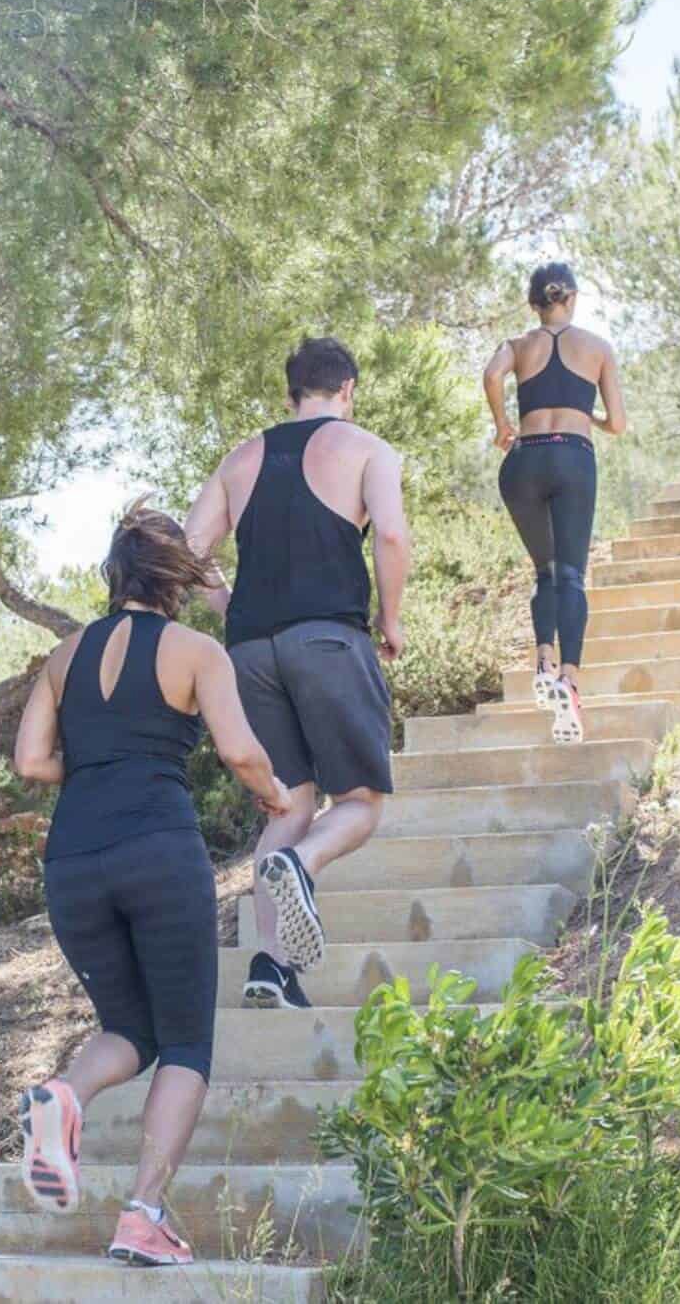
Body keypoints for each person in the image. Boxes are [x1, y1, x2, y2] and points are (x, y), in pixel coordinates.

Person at [9, 506, 292, 1267]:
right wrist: (277, 795)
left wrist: (99, 766)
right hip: (158, 851)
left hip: (73, 862)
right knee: (188, 1044)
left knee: (129, 1029)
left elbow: (32, 761)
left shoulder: (64, 656)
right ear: (178, 578)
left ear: (115, 575)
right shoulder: (198, 651)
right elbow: (239, 749)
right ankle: (142, 1215)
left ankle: (65, 1098)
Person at [184, 336, 410, 1011]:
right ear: (349, 390)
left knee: (288, 804)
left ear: (289, 396)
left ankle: (270, 968)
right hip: (330, 640)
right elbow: (392, 537)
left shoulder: (241, 458)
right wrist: (391, 620)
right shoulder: (367, 447)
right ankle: (301, 865)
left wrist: (228, 605)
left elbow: (189, 549)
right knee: (361, 804)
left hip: (249, 651)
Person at [480, 262, 629, 744]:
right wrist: (593, 418)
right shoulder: (598, 347)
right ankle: (569, 678)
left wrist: (504, 424)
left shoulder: (518, 345)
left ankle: (542, 662)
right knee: (570, 574)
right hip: (572, 456)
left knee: (544, 571)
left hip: (523, 462)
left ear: (534, 303)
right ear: (574, 297)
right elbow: (620, 424)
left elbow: (491, 374)